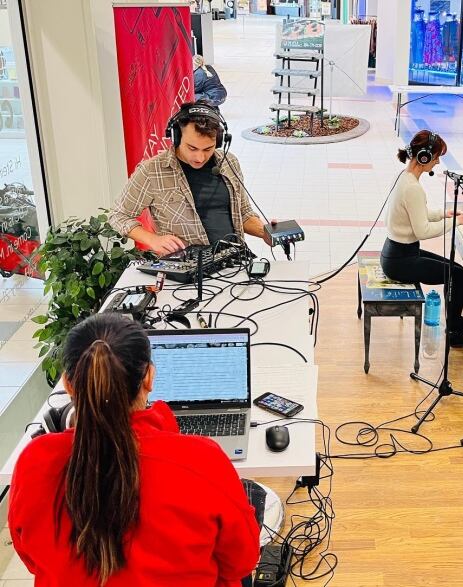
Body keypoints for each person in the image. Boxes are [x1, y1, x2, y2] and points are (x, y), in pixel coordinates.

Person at [8, 313, 260, 585]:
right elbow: (241, 561)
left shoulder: (34, 462)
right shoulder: (201, 460)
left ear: (69, 385)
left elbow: (32, 559)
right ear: (150, 377)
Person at [109, 101, 271, 256]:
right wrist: (152, 239)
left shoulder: (229, 162)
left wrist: (266, 232)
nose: (200, 157)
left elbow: (243, 214)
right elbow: (118, 215)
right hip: (187, 269)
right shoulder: (151, 171)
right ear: (176, 137)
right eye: (192, 148)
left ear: (220, 141)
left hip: (235, 260)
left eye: (208, 149)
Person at [380, 130, 463, 347]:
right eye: (436, 157)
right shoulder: (412, 188)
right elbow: (423, 231)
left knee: (456, 271)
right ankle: (454, 330)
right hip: (400, 261)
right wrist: (456, 222)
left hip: (398, 253)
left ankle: (455, 324)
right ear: (424, 157)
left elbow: (419, 213)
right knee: (458, 276)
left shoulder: (404, 177)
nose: (437, 162)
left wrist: (444, 214)